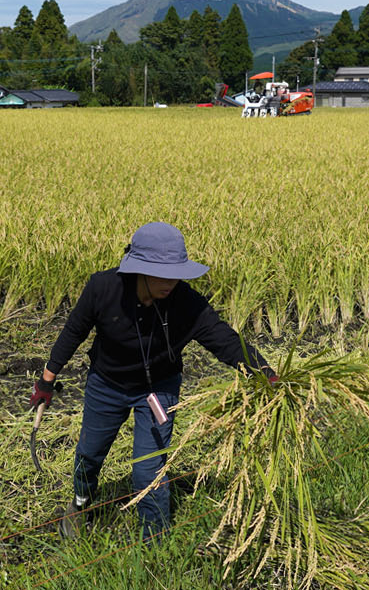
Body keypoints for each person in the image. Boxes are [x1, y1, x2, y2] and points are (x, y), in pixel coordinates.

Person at [29, 222, 274, 541]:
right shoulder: (104, 289)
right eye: (161, 273)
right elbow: (73, 332)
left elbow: (224, 341)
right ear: (138, 269)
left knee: (149, 470)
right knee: (89, 454)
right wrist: (47, 382)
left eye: (176, 273)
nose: (170, 282)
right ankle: (79, 506)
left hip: (159, 388)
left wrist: (265, 373)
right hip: (107, 384)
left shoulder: (187, 303)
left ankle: (154, 540)